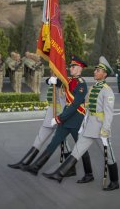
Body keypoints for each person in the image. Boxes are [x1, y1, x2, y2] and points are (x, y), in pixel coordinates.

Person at [43, 56, 119, 192]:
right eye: (95, 69)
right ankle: (61, 174)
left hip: (101, 127)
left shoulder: (107, 90)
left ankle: (115, 181)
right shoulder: (92, 88)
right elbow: (87, 109)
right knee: (78, 150)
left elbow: (109, 113)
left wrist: (106, 129)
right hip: (90, 125)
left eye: (98, 70)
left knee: (109, 155)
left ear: (105, 74)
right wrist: (84, 124)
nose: (95, 72)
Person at [22, 55, 94, 183]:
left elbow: (74, 106)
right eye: (70, 66)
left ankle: (89, 174)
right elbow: (55, 82)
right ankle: (35, 167)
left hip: (76, 119)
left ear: (79, 68)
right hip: (66, 118)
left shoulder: (82, 84)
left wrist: (59, 118)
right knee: (54, 142)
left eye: (73, 66)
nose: (70, 68)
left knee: (80, 148)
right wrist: (51, 80)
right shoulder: (69, 81)